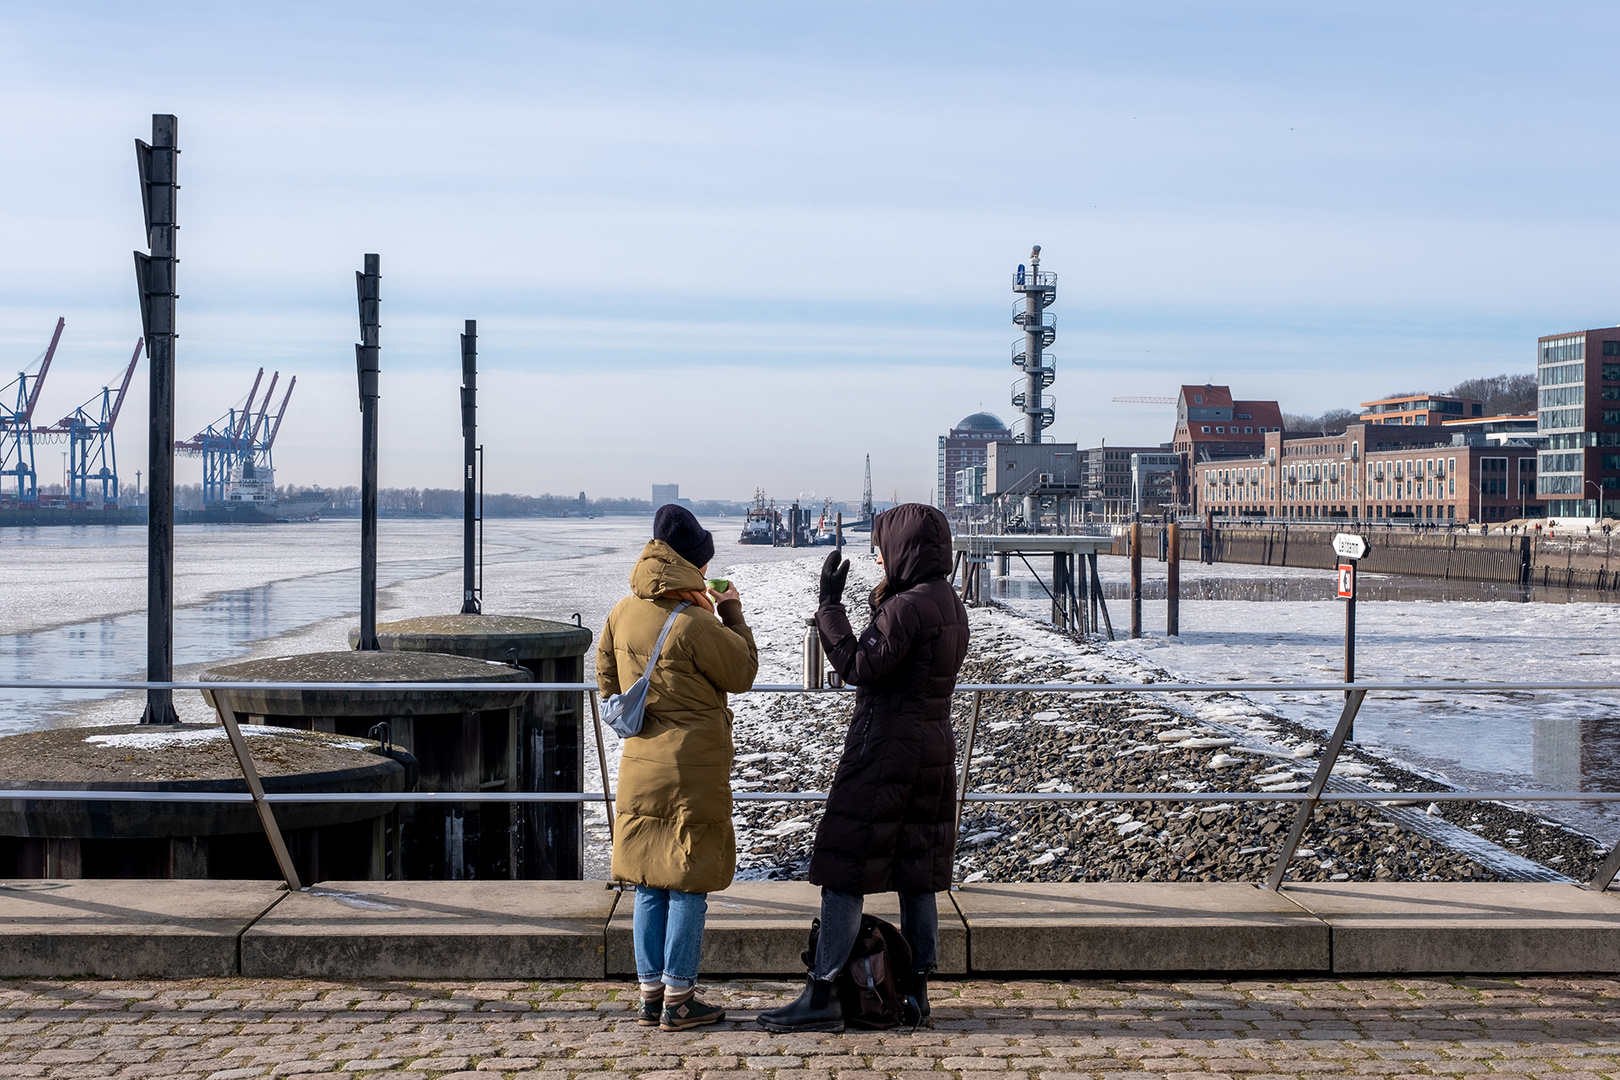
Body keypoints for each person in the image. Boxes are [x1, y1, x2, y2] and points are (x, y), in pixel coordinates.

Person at [758, 503, 969, 1034]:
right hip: (932, 750)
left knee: (845, 865)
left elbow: (857, 665)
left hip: (885, 752)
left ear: (902, 549)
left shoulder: (908, 607)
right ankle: (916, 992)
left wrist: (829, 606)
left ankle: (823, 991)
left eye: (882, 546)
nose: (877, 555)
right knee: (916, 871)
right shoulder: (948, 601)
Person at [598, 504, 758, 1032]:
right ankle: (680, 998)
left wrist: (633, 714)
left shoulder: (622, 611)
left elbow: (604, 674)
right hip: (693, 766)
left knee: (647, 880)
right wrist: (731, 610)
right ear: (692, 565)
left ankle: (649, 994)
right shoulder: (693, 622)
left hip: (640, 762)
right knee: (688, 880)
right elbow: (742, 672)